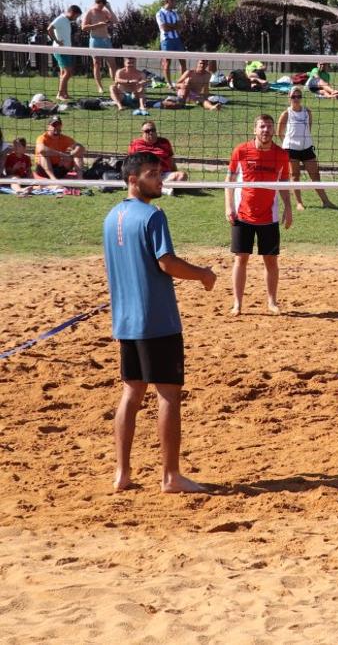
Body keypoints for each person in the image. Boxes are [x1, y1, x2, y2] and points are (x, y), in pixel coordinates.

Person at [103, 151, 217, 493]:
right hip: (156, 320)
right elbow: (167, 263)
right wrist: (203, 275)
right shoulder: (152, 216)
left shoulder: (112, 216)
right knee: (168, 394)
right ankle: (171, 476)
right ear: (133, 179)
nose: (160, 179)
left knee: (131, 393)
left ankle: (122, 474)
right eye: (153, 174)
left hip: (126, 320)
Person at [225, 115, 293, 315]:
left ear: (273, 131)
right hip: (242, 214)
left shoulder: (281, 154)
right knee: (241, 259)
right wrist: (228, 207)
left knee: (271, 260)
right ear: (255, 130)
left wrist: (288, 208)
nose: (266, 130)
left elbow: (284, 184)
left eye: (269, 127)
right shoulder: (241, 150)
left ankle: (272, 301)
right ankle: (237, 303)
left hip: (268, 216)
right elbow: (229, 181)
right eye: (262, 126)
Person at [277, 88, 334, 210]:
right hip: (291, 149)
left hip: (307, 147)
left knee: (315, 175)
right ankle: (299, 203)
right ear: (289, 98)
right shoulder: (286, 114)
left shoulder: (307, 112)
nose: (296, 99)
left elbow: (309, 128)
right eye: (293, 97)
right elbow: (279, 132)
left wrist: (304, 140)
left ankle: (326, 201)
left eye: (298, 96)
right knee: (295, 176)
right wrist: (287, 145)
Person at [128, 121, 188, 196]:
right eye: (147, 131)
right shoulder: (135, 144)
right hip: (146, 175)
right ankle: (162, 188)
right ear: (142, 133)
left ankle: (160, 188)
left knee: (182, 176)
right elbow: (131, 163)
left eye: (153, 130)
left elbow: (171, 161)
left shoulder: (164, 142)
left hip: (163, 175)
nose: (150, 133)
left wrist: (175, 173)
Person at [81, 0, 117, 93]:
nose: (101, 7)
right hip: (95, 40)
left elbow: (115, 21)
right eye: (100, 5)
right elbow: (83, 27)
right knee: (97, 64)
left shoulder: (105, 11)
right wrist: (97, 25)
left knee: (112, 64)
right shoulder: (90, 12)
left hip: (106, 40)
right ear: (97, 3)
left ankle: (115, 85)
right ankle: (100, 87)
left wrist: (109, 8)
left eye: (103, 5)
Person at [46, 4, 82, 102]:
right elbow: (49, 28)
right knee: (68, 72)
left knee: (63, 72)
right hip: (60, 50)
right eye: (76, 16)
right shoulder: (61, 19)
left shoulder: (66, 21)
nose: (76, 19)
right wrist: (57, 41)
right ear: (71, 12)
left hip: (66, 49)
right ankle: (60, 94)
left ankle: (65, 94)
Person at [156, 0, 187, 85]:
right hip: (166, 40)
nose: (175, 3)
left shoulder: (175, 13)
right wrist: (174, 26)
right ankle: (169, 84)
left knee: (183, 61)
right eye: (174, 1)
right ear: (169, 1)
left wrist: (169, 25)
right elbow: (164, 28)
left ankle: (181, 82)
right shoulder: (159, 13)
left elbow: (180, 26)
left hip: (177, 39)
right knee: (167, 62)